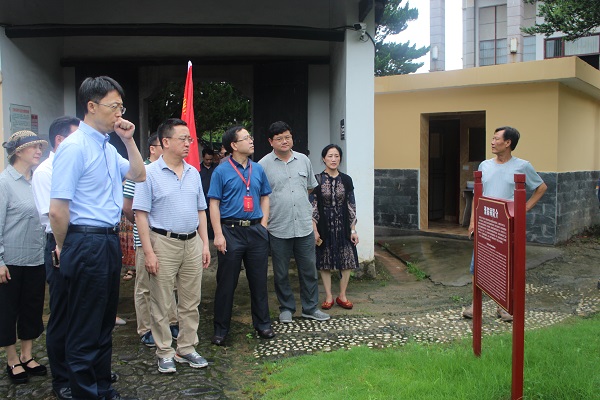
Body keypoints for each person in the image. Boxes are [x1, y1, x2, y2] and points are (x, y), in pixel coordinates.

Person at [49, 76, 145, 400]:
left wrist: (128, 140)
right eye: (113, 106)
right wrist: (64, 246)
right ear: (91, 106)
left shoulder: (106, 146)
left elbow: (138, 174)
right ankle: (85, 393)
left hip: (107, 240)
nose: (119, 113)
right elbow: (57, 210)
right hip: (85, 240)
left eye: (121, 107)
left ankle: (103, 387)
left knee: (104, 323)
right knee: (85, 328)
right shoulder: (74, 147)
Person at [133, 118, 210, 374]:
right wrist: (149, 252)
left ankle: (186, 347)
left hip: (192, 242)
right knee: (161, 302)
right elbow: (140, 215)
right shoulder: (149, 174)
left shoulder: (193, 173)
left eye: (190, 139)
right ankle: (164, 351)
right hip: (162, 243)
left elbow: (201, 210)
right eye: (183, 139)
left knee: (191, 301)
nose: (188, 143)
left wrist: (205, 244)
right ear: (165, 142)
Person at [463, 126, 547, 322]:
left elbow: (541, 187)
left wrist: (525, 208)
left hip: (507, 226)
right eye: (492, 138)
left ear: (508, 143)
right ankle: (476, 305)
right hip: (485, 224)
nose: (492, 142)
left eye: (496, 139)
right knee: (478, 266)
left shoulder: (522, 166)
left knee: (506, 265)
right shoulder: (484, 165)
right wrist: (473, 222)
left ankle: (503, 306)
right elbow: (477, 196)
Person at [208, 126, 274, 346]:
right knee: (226, 283)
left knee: (259, 281)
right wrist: (218, 234)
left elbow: (265, 197)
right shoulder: (221, 171)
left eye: (250, 137)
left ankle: (263, 324)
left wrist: (263, 225)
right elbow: (214, 204)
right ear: (234, 145)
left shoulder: (258, 169)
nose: (251, 140)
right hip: (231, 231)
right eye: (246, 138)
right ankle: (221, 329)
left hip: (255, 231)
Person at [259, 121, 330, 323]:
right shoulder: (263, 165)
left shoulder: (303, 160)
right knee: (281, 272)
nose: (285, 141)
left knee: (309, 270)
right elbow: (261, 196)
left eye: (287, 137)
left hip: (304, 226)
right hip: (278, 226)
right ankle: (286, 308)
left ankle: (310, 307)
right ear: (270, 141)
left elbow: (309, 187)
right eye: (279, 138)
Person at [32, 116, 79, 399]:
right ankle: (62, 378)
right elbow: (53, 215)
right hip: (60, 244)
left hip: (80, 241)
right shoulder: (45, 171)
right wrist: (63, 246)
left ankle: (81, 370)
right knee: (61, 314)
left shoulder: (73, 166)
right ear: (60, 140)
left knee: (81, 312)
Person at [0, 131, 48, 386]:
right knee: (8, 310)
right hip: (11, 259)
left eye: (40, 146)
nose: (39, 151)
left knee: (32, 307)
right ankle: (11, 359)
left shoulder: (37, 180)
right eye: (34, 147)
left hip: (36, 257)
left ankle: (27, 355)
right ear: (18, 152)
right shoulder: (4, 182)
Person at [122, 133, 179, 348]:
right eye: (161, 145)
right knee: (145, 286)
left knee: (169, 283)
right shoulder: (139, 172)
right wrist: (142, 226)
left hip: (169, 239)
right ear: (152, 149)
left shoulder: (171, 170)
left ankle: (171, 322)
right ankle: (145, 328)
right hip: (145, 239)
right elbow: (128, 208)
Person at [311, 144, 360, 310]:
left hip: (343, 225)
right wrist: (315, 230)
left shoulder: (346, 179)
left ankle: (342, 295)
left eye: (337, 156)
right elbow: (313, 206)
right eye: (330, 156)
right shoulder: (317, 179)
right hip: (324, 226)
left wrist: (353, 230)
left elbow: (351, 205)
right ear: (323, 158)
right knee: (324, 261)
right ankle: (328, 296)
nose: (333, 159)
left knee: (347, 259)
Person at [199, 148, 216, 239]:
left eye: (210, 159)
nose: (209, 161)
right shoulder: (198, 169)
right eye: (207, 159)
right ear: (203, 157)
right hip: (202, 198)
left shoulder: (216, 168)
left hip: (214, 198)